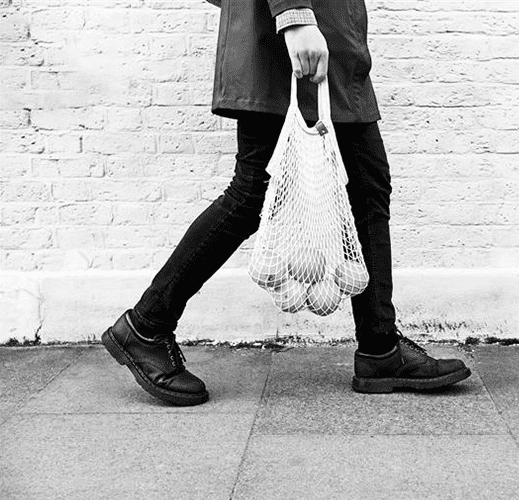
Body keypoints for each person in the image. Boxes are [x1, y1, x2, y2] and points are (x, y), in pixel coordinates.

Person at [100, 0, 471, 406]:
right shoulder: (296, 25)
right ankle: (146, 325)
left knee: (367, 187)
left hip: (329, 40)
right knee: (252, 194)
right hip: (291, 42)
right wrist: (293, 16)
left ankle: (380, 348)